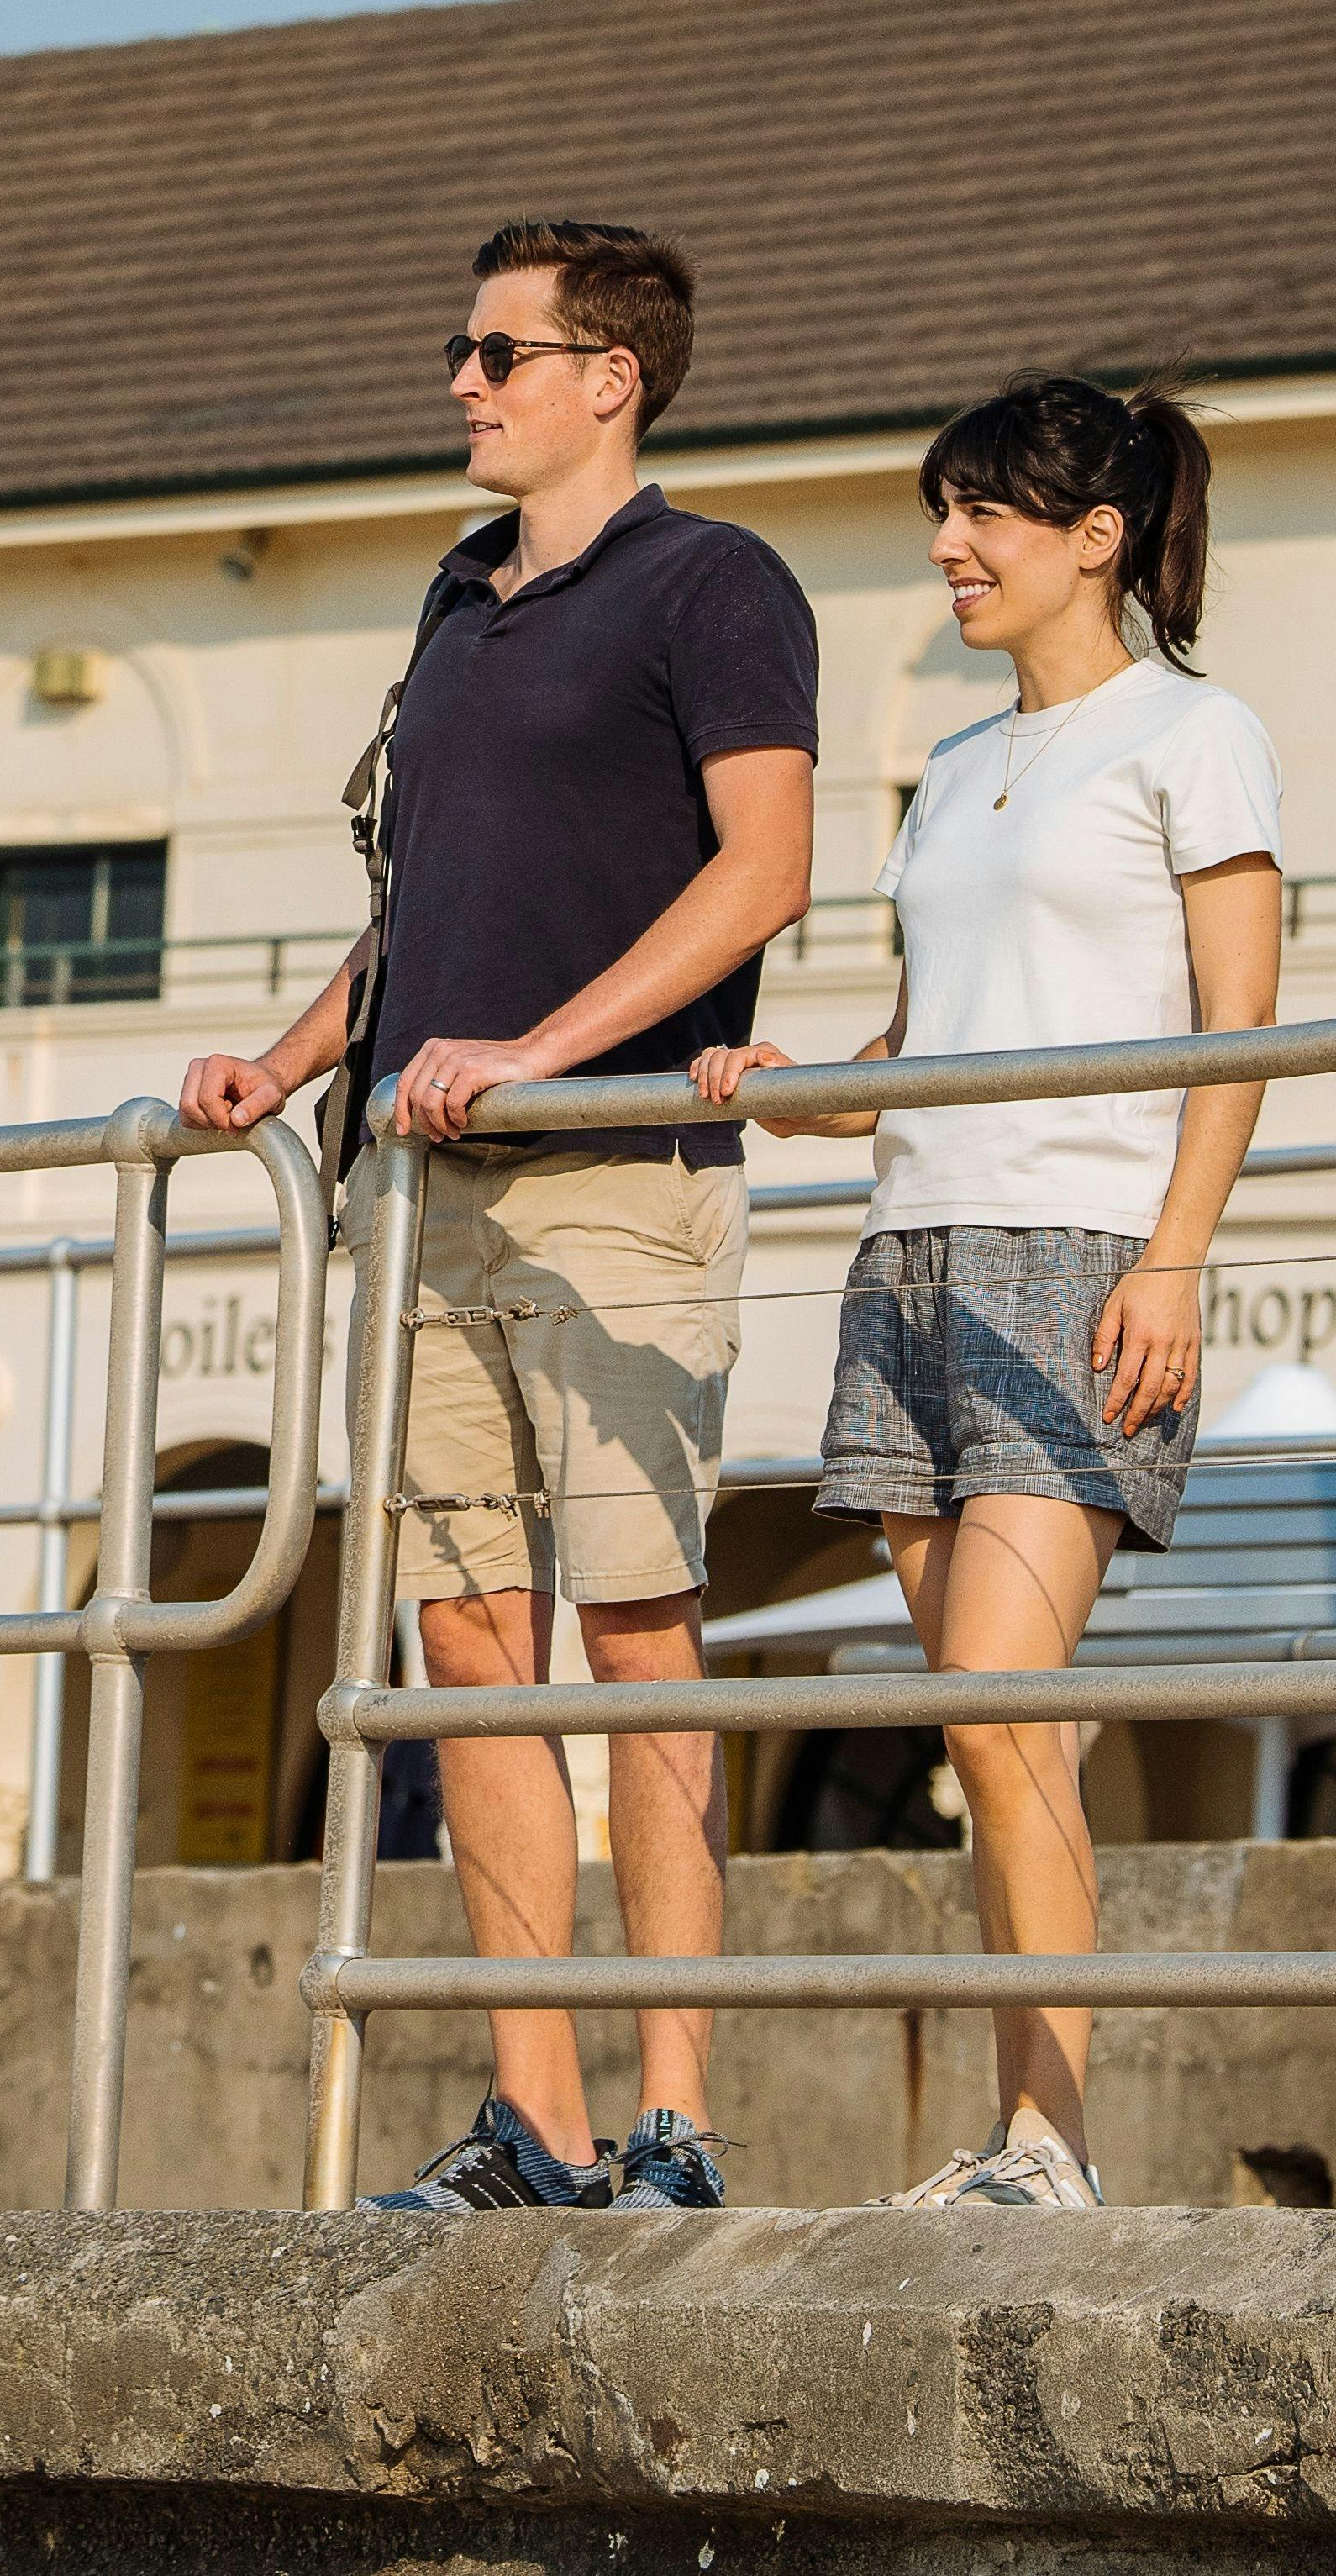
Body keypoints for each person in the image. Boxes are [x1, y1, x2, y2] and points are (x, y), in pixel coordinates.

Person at [180, 220, 816, 2216]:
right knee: (468, 1647)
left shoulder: (716, 583)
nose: (463, 379)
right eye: (463, 349)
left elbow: (765, 870)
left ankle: (674, 2119)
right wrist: (287, 1059)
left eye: (499, 351)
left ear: (610, 376)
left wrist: (542, 1050)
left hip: (616, 1180)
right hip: (426, 1195)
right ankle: (536, 2123)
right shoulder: (460, 599)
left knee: (636, 1639)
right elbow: (422, 906)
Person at [692, 373, 1282, 2215]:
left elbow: (1241, 1027)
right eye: (941, 514)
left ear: (1095, 537)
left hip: (1082, 1257)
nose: (948, 546)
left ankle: (1057, 2145)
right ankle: (1029, 2134)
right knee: (976, 1728)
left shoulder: (1195, 735)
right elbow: (925, 1044)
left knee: (1010, 1709)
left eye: (983, 515)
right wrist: (790, 1085)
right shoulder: (953, 769)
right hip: (908, 1259)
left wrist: (1177, 1255)